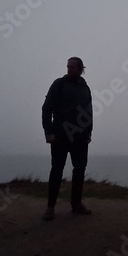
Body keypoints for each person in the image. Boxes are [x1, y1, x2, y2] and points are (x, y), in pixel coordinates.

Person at [41, 57, 93, 221]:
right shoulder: (59, 84)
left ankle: (76, 204)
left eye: (72, 67)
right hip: (60, 136)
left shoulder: (85, 88)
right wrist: (48, 132)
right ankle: (50, 207)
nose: (69, 69)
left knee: (79, 170)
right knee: (56, 170)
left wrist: (89, 131)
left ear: (80, 69)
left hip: (80, 138)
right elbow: (46, 108)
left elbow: (89, 112)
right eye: (68, 66)